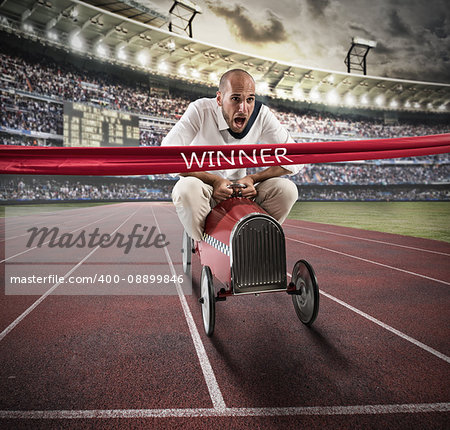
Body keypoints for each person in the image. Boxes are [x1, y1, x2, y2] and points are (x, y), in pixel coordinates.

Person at [161, 69, 302, 241]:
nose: (243, 108)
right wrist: (214, 181)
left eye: (249, 99)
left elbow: (296, 159)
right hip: (206, 190)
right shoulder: (200, 109)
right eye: (235, 99)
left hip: (242, 190)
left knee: (287, 190)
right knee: (186, 188)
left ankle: (257, 240)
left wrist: (253, 178)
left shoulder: (261, 114)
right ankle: (203, 242)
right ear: (219, 99)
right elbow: (166, 155)